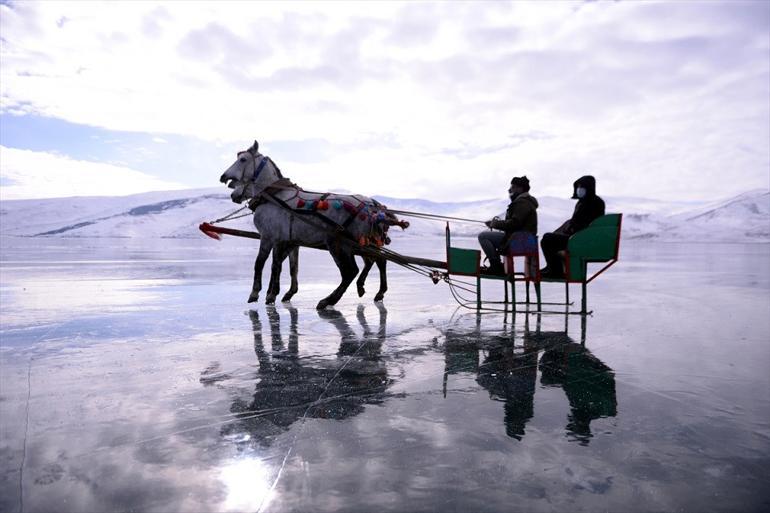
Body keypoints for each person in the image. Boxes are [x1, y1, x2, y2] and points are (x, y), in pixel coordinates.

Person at [540, 175, 605, 279]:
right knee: (548, 238)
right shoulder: (583, 202)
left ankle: (556, 270)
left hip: (582, 239)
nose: (579, 189)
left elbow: (586, 224)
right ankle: (552, 268)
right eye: (578, 186)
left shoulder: (594, 203)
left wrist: (571, 229)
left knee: (548, 239)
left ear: (589, 187)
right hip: (579, 237)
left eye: (582, 187)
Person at [478, 176, 538, 275]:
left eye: (513, 187)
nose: (510, 190)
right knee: (485, 236)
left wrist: (495, 224)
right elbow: (516, 223)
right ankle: (496, 265)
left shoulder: (522, 202)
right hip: (524, 240)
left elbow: (514, 223)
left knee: (483, 236)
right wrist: (496, 224)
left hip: (519, 241)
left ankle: (496, 266)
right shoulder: (526, 202)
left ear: (520, 188)